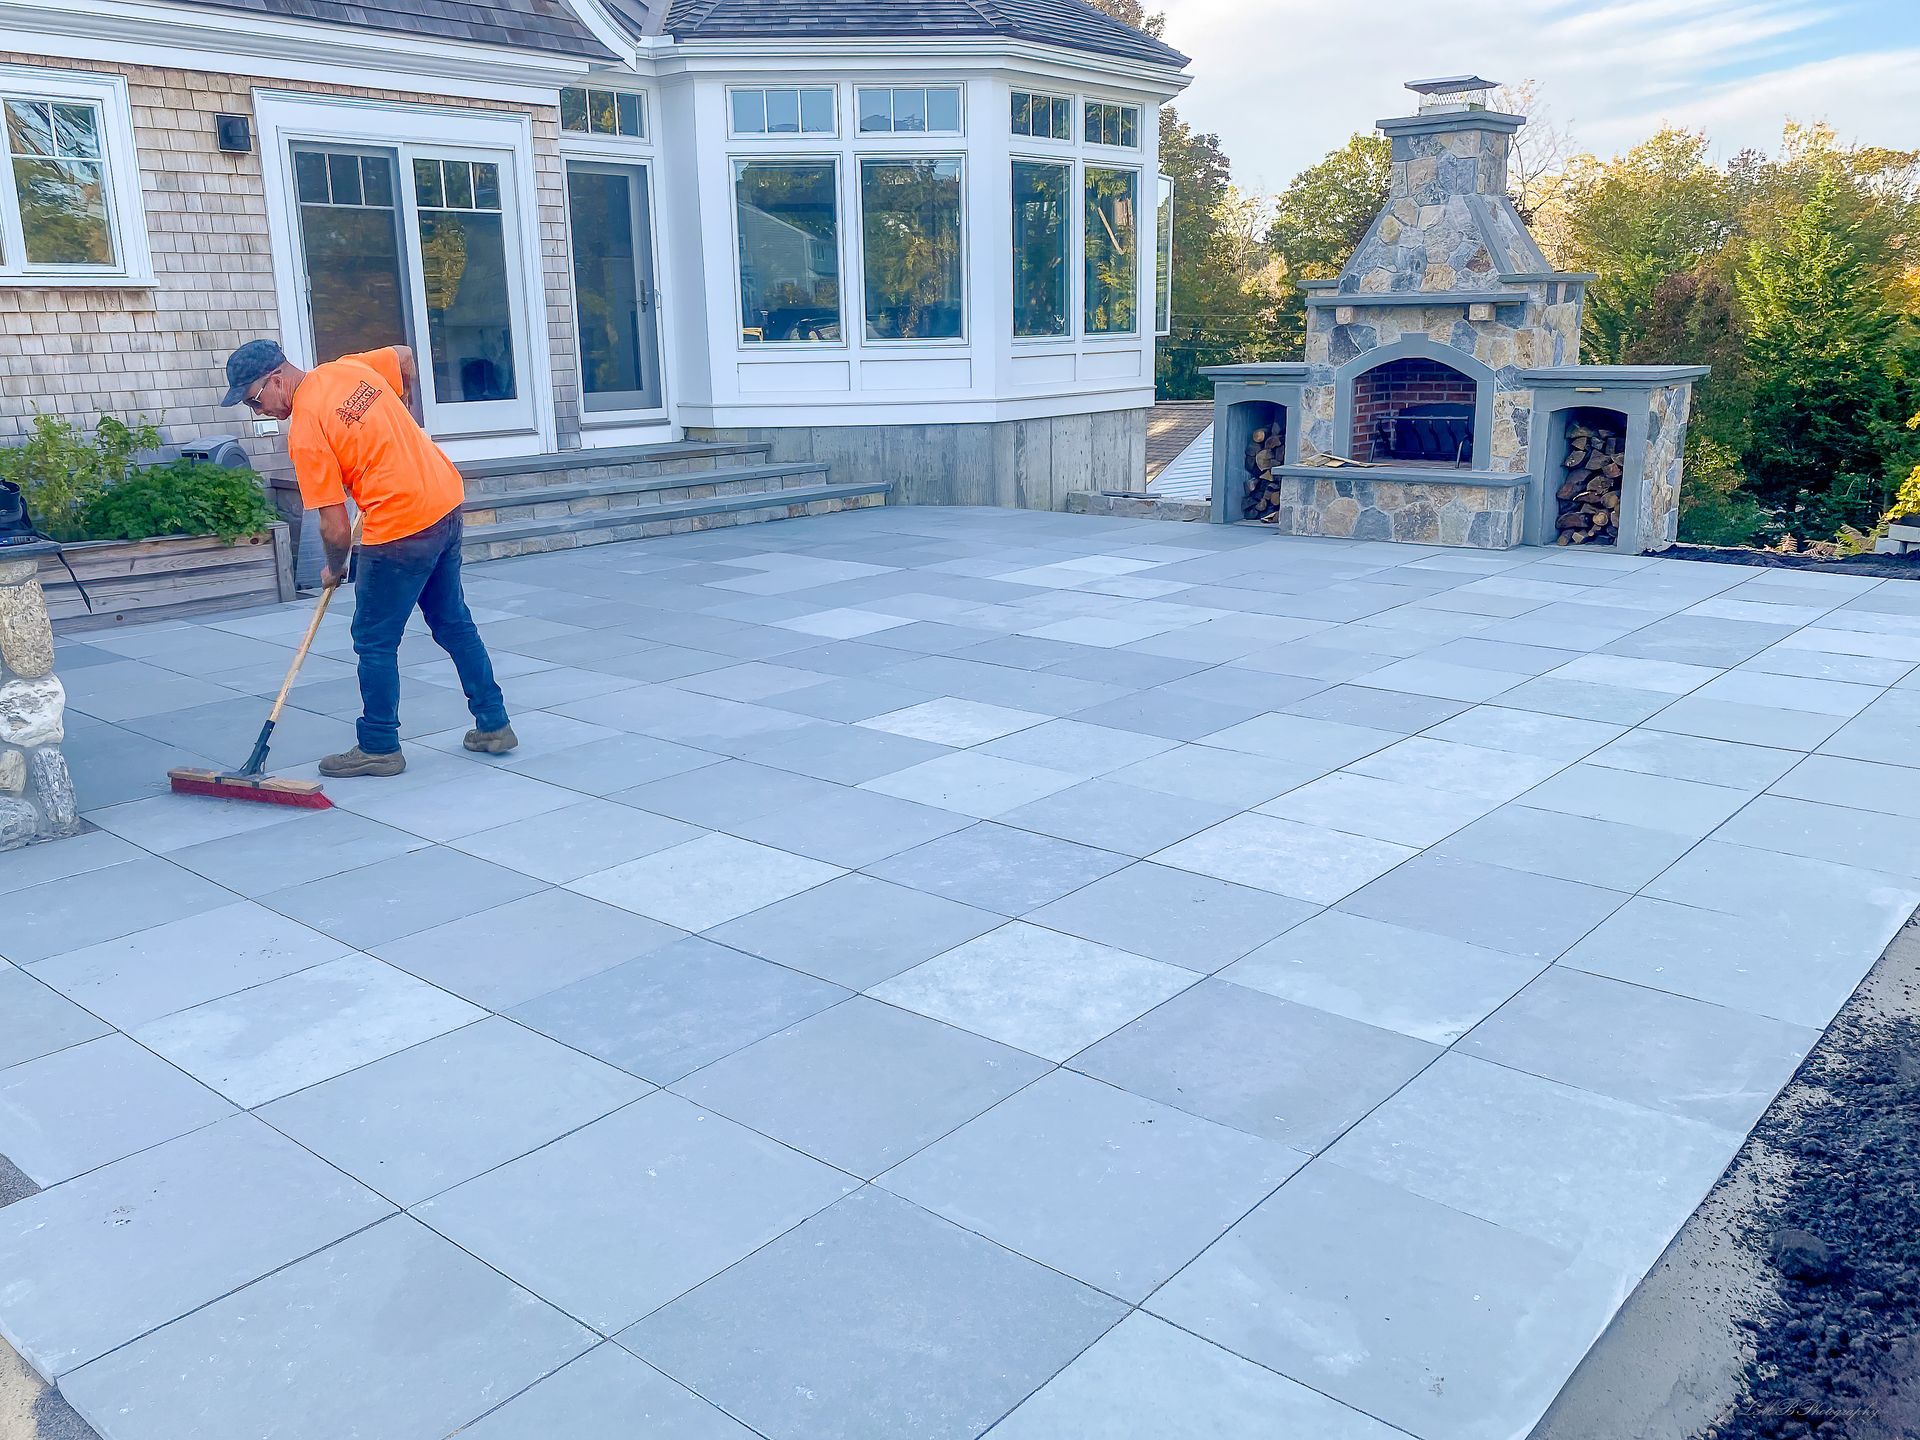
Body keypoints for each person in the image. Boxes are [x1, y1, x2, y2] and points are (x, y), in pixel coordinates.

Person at [220, 338, 515, 777]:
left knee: (374, 639)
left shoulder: (306, 429)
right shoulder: (348, 368)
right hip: (444, 501)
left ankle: (378, 745)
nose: (257, 412)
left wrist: (336, 567)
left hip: (400, 527)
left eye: (254, 400)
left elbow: (334, 527)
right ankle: (494, 724)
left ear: (276, 380)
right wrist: (404, 414)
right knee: (453, 621)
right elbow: (404, 356)